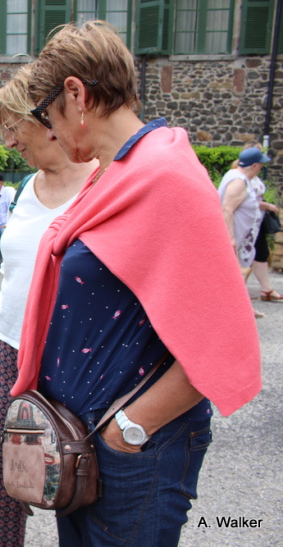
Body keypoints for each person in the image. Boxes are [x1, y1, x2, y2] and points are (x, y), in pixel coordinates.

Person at [18, 21, 261, 545]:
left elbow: (218, 338)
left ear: (76, 94)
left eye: (46, 116)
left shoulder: (165, 173)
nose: (51, 134)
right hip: (84, 441)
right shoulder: (119, 172)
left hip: (131, 449)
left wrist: (128, 431)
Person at [0, 65, 99, 547]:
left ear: (49, 116)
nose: (8, 142)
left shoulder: (105, 182)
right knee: (6, 470)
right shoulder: (28, 186)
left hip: (74, 354)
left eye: (13, 127)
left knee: (78, 471)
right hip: (8, 342)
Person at [220, 144, 282, 315]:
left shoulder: (241, 179)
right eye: (261, 165)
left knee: (241, 272)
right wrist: (231, 237)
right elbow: (227, 209)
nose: (261, 168)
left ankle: (242, 307)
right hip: (238, 237)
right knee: (236, 273)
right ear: (254, 165)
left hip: (245, 238)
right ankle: (237, 310)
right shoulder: (238, 181)